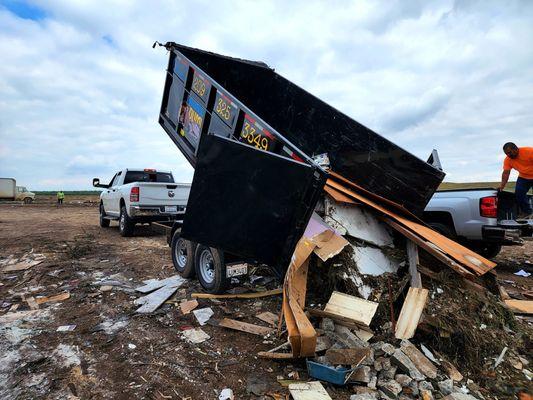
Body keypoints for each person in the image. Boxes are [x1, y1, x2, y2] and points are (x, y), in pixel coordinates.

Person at [499, 142, 533, 219]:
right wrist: (502, 186)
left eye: (509, 152)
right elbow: (506, 173)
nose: (508, 155)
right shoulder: (508, 160)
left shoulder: (529, 152)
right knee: (519, 194)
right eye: (506, 154)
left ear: (516, 149)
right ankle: (527, 212)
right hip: (523, 177)